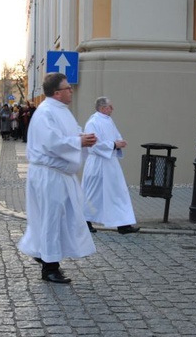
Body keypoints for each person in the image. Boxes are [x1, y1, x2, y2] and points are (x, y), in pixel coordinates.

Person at [18, 73, 98, 284]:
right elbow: (52, 142)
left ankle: (43, 253)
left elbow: (69, 135)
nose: (71, 90)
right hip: (49, 174)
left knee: (58, 219)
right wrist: (78, 142)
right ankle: (50, 267)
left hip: (59, 175)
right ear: (57, 92)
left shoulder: (61, 111)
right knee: (51, 219)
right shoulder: (45, 112)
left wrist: (83, 139)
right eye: (67, 88)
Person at [82, 97, 140, 234]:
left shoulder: (109, 120)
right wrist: (114, 145)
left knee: (118, 193)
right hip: (97, 163)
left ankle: (123, 224)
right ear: (103, 108)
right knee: (92, 194)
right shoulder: (93, 122)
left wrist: (119, 142)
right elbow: (93, 144)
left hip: (110, 163)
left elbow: (116, 136)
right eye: (110, 106)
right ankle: (84, 222)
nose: (112, 109)